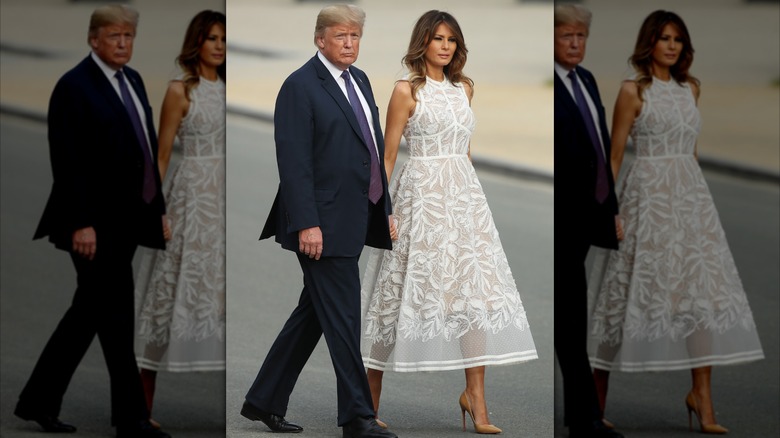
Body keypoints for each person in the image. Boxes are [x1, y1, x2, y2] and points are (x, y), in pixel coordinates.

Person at [359, 10, 538, 435]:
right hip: (419, 197)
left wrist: (473, 203)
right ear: (423, 41)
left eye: (451, 40)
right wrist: (382, 211)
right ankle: (366, 403)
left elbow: (465, 151)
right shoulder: (406, 90)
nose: (445, 46)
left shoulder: (465, 88)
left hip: (464, 199)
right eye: (438, 38)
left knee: (471, 296)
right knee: (394, 292)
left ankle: (476, 400)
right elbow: (386, 157)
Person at [587, 10, 764, 435]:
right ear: (650, 42)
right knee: (620, 294)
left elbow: (692, 151)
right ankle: (593, 407)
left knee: (697, 297)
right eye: (664, 38)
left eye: (678, 40)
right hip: (645, 198)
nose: (671, 45)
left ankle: (702, 400)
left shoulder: (691, 88)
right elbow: (613, 157)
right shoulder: (633, 91)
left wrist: (698, 204)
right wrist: (607, 210)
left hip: (690, 202)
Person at [240, 4, 398, 438]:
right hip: (321, 226)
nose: (349, 44)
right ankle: (357, 418)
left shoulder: (361, 80)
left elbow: (372, 151)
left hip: (353, 217)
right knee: (345, 318)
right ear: (320, 39)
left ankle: (263, 400)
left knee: (313, 313)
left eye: (355, 37)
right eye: (341, 36)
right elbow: (293, 164)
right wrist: (307, 223)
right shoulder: (299, 86)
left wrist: (384, 209)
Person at [14, 4, 171, 438]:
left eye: (129, 36)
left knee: (87, 314)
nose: (123, 43)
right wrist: (82, 223)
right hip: (92, 228)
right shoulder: (73, 87)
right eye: (114, 36)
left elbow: (146, 151)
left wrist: (157, 210)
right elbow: (68, 163)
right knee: (117, 318)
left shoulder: (134, 80)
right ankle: (132, 419)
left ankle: (37, 401)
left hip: (127, 223)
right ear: (93, 39)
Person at [133, 9, 226, 423]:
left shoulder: (228, 88)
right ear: (197, 44)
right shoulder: (180, 90)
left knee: (219, 293)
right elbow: (162, 153)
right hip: (189, 197)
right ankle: (140, 408)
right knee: (167, 291)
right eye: (212, 39)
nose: (220, 46)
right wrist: (155, 209)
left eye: (225, 39)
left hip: (223, 202)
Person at [553, 4, 625, 438]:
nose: (575, 43)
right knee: (569, 317)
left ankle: (585, 416)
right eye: (566, 35)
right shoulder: (554, 90)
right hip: (560, 220)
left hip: (586, 218)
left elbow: (602, 149)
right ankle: (586, 418)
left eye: (581, 36)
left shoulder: (587, 79)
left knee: (573, 317)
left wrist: (611, 207)